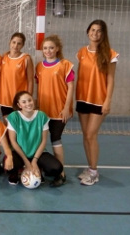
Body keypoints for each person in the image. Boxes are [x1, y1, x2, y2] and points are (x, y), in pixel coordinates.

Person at [76, 20, 119, 186]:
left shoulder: (110, 53)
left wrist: (107, 101)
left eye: (99, 31)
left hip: (99, 100)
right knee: (85, 136)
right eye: (93, 30)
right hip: (82, 99)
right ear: (88, 32)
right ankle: (90, 168)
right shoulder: (81, 52)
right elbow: (80, 76)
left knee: (91, 135)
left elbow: (111, 79)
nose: (95, 33)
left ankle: (94, 172)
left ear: (103, 34)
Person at [35, 35, 74, 185]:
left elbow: (71, 87)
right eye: (45, 48)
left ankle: (61, 173)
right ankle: (40, 169)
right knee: (39, 141)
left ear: (57, 48)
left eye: (51, 47)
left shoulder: (65, 65)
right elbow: (39, 87)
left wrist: (66, 108)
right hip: (43, 110)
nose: (48, 51)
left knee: (55, 139)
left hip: (59, 111)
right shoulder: (39, 66)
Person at [6, 91, 64, 187]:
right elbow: (13, 142)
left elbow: (43, 141)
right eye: (24, 102)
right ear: (19, 105)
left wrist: (34, 160)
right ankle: (15, 173)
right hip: (20, 153)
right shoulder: (13, 117)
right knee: (9, 165)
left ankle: (38, 168)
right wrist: (26, 161)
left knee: (56, 168)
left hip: (37, 153)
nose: (28, 104)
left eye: (29, 100)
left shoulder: (42, 116)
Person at [0, 33, 34, 118]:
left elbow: (30, 80)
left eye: (19, 43)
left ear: (22, 45)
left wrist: (28, 98)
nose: (15, 45)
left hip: (20, 99)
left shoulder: (26, 58)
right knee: (7, 126)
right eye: (13, 42)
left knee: (19, 127)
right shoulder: (3, 57)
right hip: (5, 99)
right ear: (9, 42)